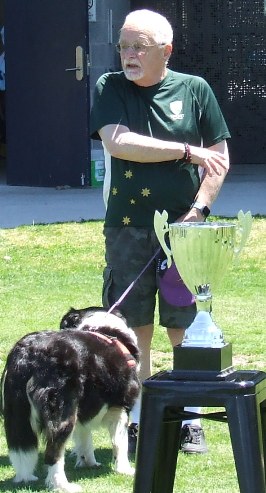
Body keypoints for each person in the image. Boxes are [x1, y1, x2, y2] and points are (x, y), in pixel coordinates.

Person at [90, 9, 230, 454]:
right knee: (133, 329)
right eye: (124, 46)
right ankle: (136, 418)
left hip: (185, 232)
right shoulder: (111, 86)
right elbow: (118, 141)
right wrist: (186, 150)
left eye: (139, 47)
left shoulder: (195, 90)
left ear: (165, 51)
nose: (129, 55)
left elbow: (219, 158)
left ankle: (188, 418)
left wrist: (199, 211)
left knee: (184, 326)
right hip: (128, 228)